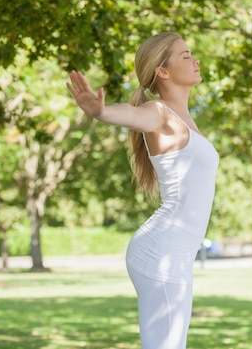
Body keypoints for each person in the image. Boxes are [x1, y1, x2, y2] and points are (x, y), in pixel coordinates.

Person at [66, 32, 219, 349]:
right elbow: (131, 115)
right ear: (162, 71)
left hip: (175, 252)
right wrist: (100, 112)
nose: (196, 60)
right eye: (186, 55)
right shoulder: (159, 113)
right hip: (161, 251)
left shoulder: (184, 119)